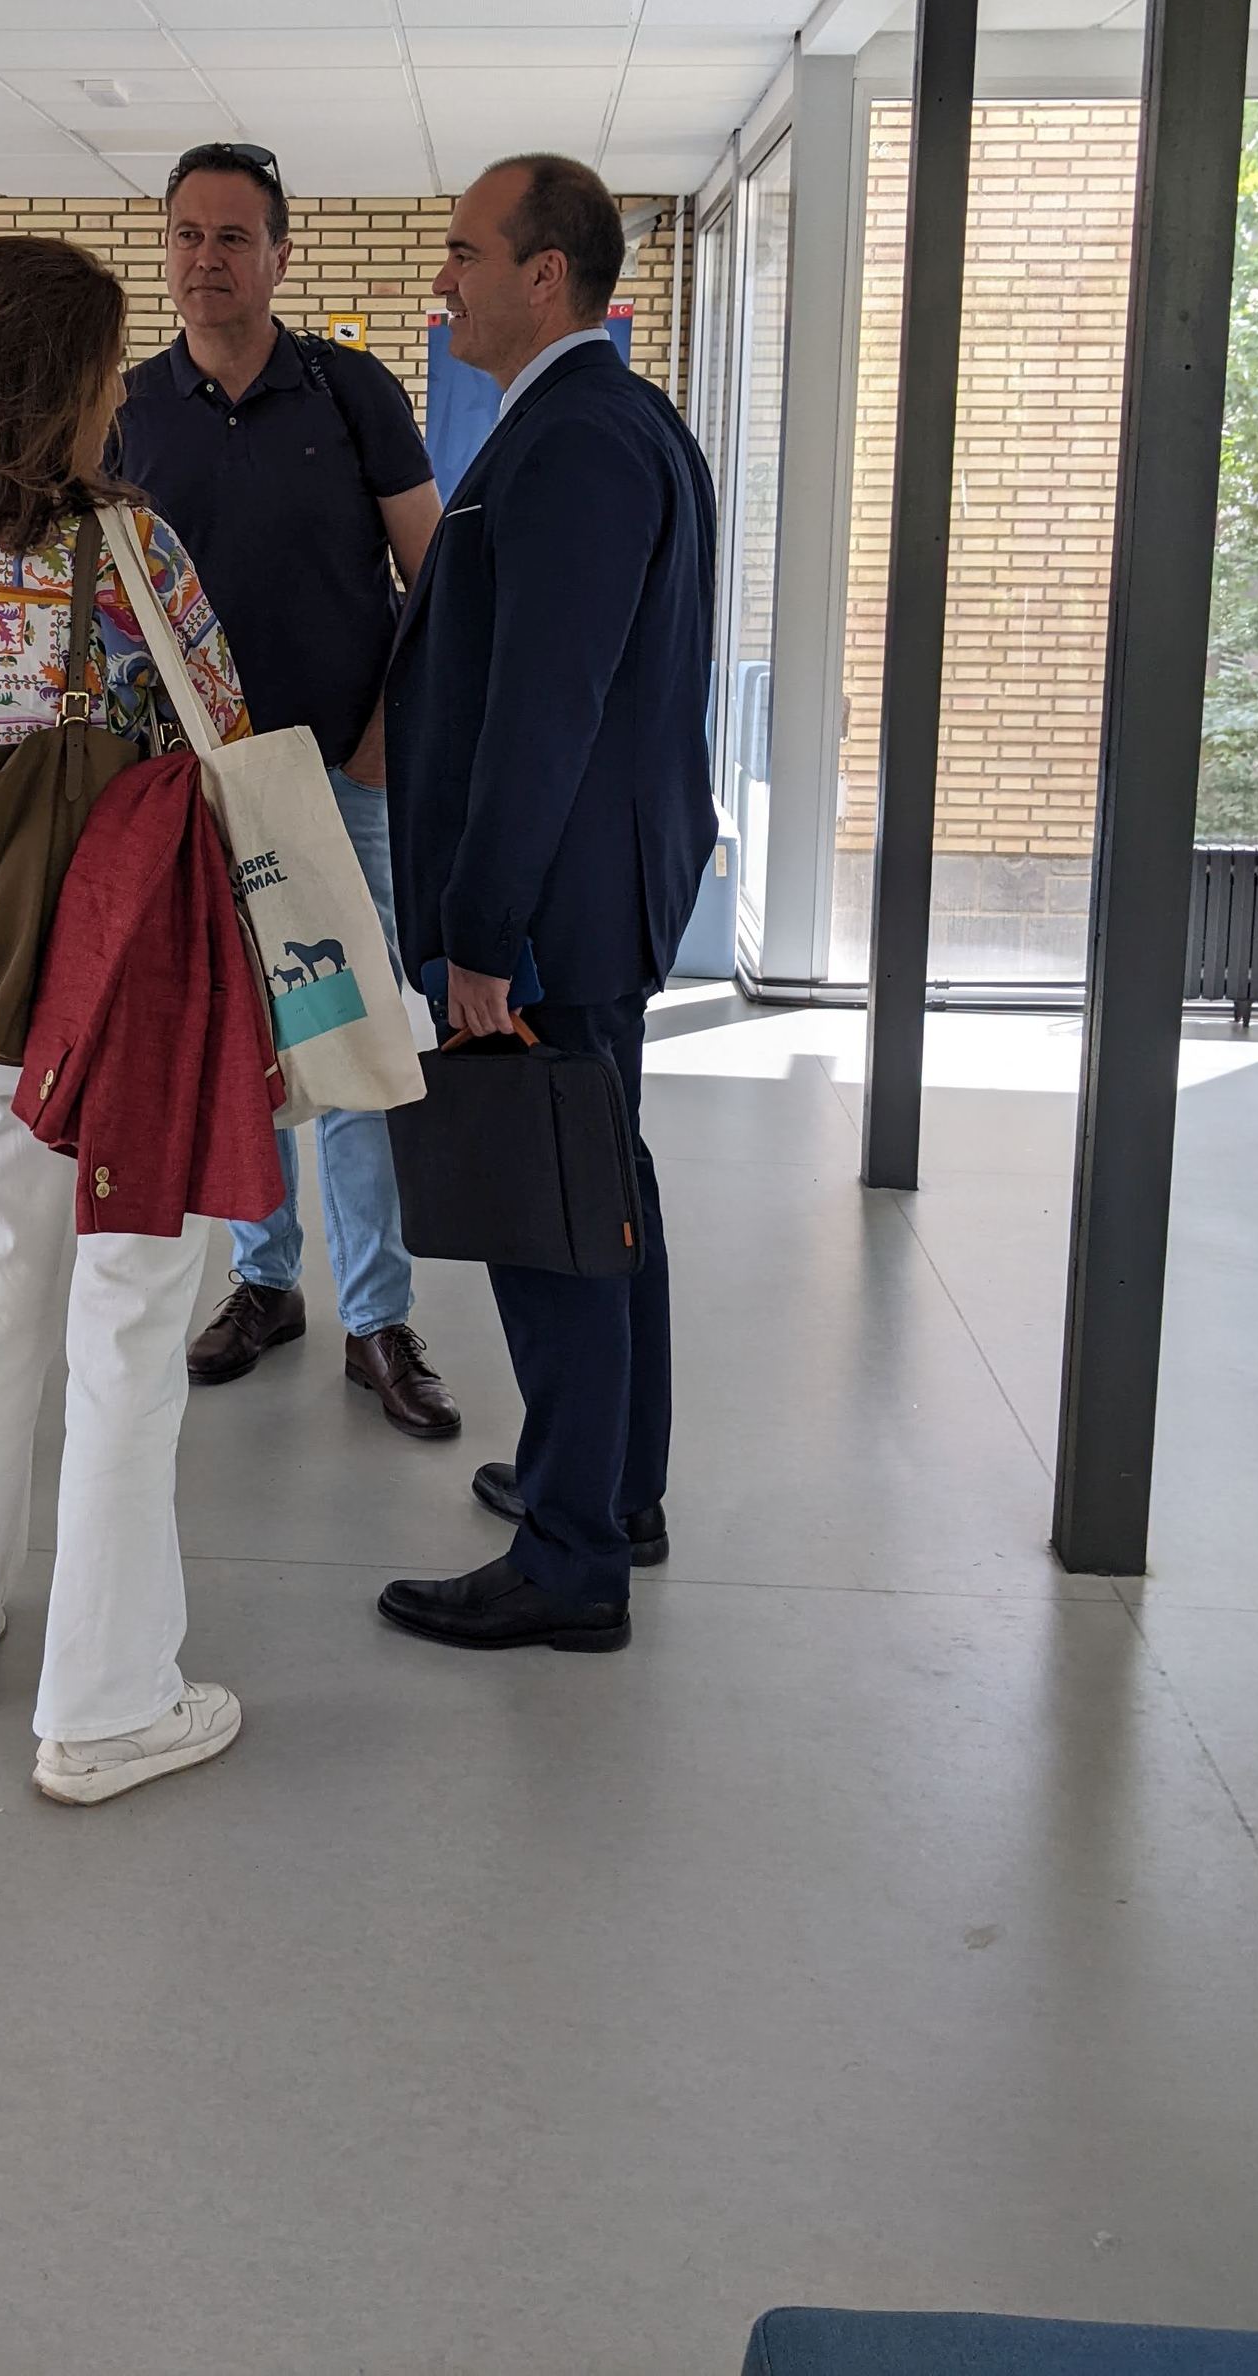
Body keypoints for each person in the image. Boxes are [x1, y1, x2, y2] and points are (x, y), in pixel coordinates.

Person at [0, 234, 252, 1806]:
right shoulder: (128, 551)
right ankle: (103, 1705)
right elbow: (226, 745)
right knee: (131, 1325)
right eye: (101, 369)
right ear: (53, 383)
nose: (115, 399)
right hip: (129, 991)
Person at [377, 157, 717, 1654]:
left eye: (463, 253)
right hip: (588, 896)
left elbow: (544, 710)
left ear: (545, 275)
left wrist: (481, 933)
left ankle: (572, 1560)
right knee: (604, 1190)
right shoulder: (606, 420)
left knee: (555, 1219)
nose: (441, 281)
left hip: (551, 914)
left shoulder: (575, 439)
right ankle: (611, 1487)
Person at [116, 141, 459, 1442]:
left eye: (232, 237)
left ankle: (379, 1317)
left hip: (339, 780)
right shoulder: (131, 410)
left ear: (277, 256)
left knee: (349, 1037)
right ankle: (266, 1283)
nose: (206, 259)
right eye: (186, 235)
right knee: (242, 1041)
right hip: (197, 788)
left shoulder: (349, 390)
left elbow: (435, 580)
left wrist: (381, 745)